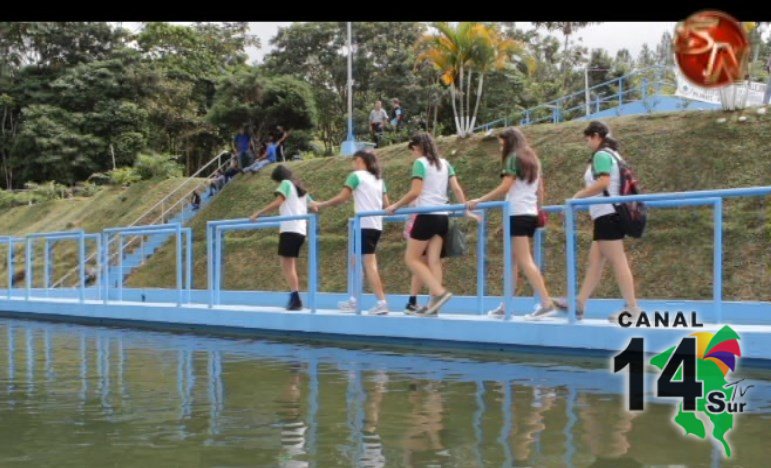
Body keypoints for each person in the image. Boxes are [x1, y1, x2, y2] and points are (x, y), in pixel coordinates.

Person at [467, 127, 559, 320]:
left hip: (517, 214)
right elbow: (540, 189)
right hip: (530, 213)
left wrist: (479, 200)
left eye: (502, 144)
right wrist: (539, 210)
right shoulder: (533, 159)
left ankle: (546, 303)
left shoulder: (512, 158)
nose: (501, 148)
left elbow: (506, 186)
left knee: (524, 260)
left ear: (510, 142)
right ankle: (506, 305)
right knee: (512, 261)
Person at [385, 132, 477, 317]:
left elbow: (415, 191)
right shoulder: (445, 163)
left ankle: (439, 292)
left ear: (418, 147)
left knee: (412, 259)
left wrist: (395, 205)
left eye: (413, 150)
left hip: (426, 216)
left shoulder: (420, 163)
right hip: (443, 217)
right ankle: (435, 305)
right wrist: (465, 209)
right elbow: (457, 188)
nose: (413, 154)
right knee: (433, 260)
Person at [573, 121, 642, 322]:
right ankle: (579, 303)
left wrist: (578, 196)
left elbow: (602, 183)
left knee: (618, 260)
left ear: (596, 136)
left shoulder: (602, 155)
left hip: (607, 214)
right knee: (594, 262)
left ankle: (632, 308)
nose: (588, 143)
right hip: (607, 214)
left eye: (588, 139)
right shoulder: (613, 154)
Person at [310, 149, 390, 315]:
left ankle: (381, 302)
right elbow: (386, 205)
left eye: (354, 161)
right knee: (356, 261)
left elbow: (342, 198)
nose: (353, 165)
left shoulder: (356, 176)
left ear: (360, 160)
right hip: (375, 225)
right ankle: (355, 300)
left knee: (368, 264)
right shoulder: (378, 180)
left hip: (363, 225)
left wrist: (321, 204)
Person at [249, 165, 312, 311]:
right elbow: (313, 206)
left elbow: (279, 202)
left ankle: (295, 298)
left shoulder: (286, 184)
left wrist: (258, 213)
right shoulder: (300, 188)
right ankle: (294, 297)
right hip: (301, 230)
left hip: (289, 229)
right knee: (291, 266)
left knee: (287, 266)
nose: (277, 185)